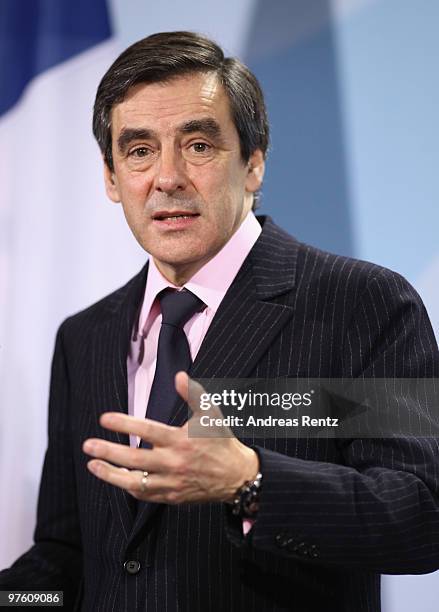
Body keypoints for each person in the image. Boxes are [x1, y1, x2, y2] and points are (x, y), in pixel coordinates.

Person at [1, 30, 439, 612]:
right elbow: (68, 557)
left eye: (199, 145)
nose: (168, 177)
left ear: (254, 164)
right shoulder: (85, 337)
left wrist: (251, 482)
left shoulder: (363, 303)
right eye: (139, 150)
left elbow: (419, 515)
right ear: (111, 178)